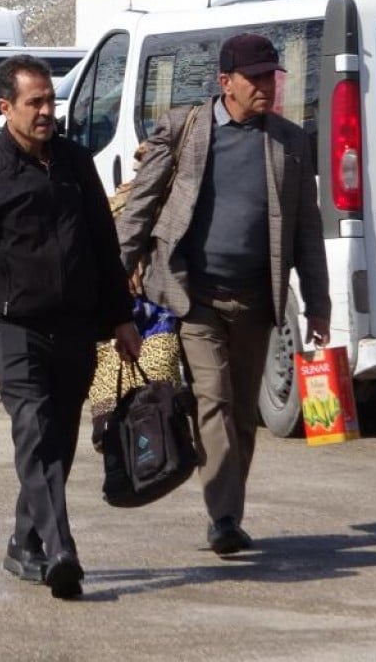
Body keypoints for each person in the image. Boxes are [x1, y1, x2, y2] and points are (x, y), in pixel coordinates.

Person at [115, 33, 330, 555]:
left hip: (257, 301)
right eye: (254, 78)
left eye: (270, 78)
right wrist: (114, 281)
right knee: (213, 401)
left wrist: (319, 305)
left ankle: (228, 505)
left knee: (242, 414)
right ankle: (224, 517)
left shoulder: (290, 143)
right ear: (225, 83)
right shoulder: (186, 131)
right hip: (196, 297)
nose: (265, 88)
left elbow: (306, 230)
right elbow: (141, 207)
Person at [0, 55, 141, 600]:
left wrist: (120, 317)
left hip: (77, 328)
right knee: (33, 432)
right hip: (14, 329)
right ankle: (61, 551)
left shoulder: (76, 163)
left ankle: (23, 543)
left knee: (57, 441)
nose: (47, 112)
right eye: (36, 103)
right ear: (6, 107)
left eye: (51, 100)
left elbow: (104, 245)